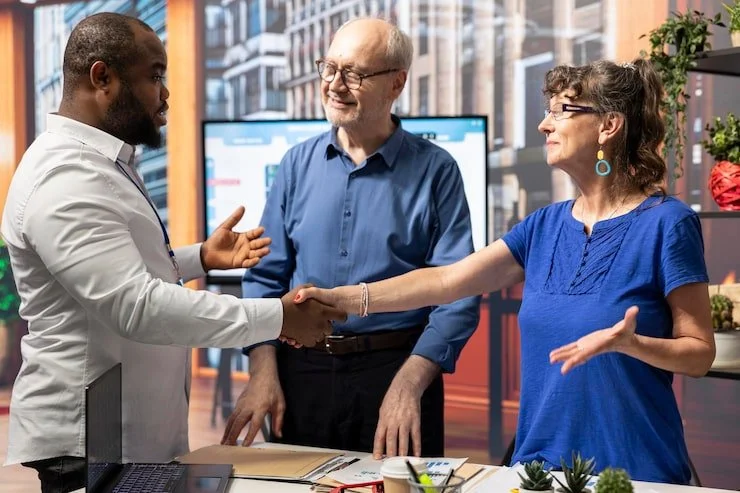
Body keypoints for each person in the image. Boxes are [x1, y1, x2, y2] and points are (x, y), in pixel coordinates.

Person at [292, 58, 716, 484]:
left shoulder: (667, 223)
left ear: (608, 125)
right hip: (539, 473)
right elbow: (446, 281)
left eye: (561, 111)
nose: (544, 125)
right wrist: (341, 298)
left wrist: (632, 344)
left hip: (635, 474)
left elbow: (699, 354)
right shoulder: (543, 226)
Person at [0, 13, 343, 493]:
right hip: (92, 441)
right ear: (102, 78)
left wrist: (199, 257)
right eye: (155, 76)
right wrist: (278, 317)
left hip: (123, 435)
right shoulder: (65, 176)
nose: (165, 94)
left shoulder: (99, 161)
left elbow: (111, 269)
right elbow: (135, 304)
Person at [221, 17, 481, 459]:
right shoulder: (295, 165)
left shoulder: (437, 171)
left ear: (396, 83)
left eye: (354, 74)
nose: (335, 85)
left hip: (397, 370)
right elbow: (264, 279)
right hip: (301, 372)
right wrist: (262, 370)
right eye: (330, 68)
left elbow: (458, 292)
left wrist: (410, 382)